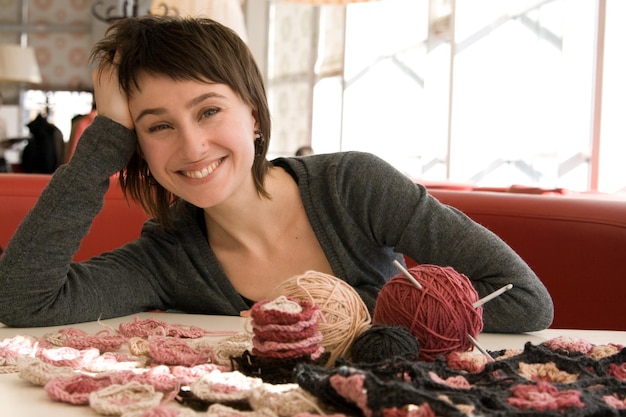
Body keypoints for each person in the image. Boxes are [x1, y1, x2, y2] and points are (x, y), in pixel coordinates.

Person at [0, 16, 553, 332]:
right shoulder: (166, 258)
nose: (192, 146)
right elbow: (21, 301)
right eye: (157, 126)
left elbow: (526, 299)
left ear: (256, 118)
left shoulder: (355, 188)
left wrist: (355, 325)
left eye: (209, 110)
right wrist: (106, 138)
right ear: (137, 148)